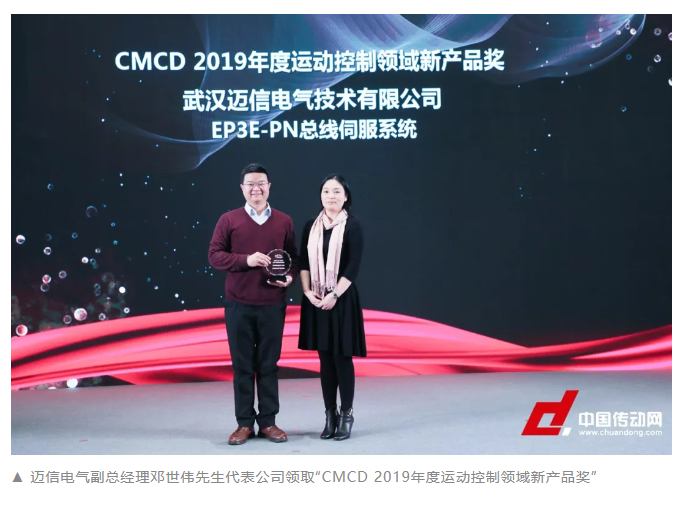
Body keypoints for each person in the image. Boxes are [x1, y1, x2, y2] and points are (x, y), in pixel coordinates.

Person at [208, 163, 298, 445]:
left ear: (269, 187)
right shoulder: (228, 220)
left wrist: (290, 277)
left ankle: (268, 422)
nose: (256, 188)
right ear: (242, 188)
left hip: (273, 304)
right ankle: (244, 423)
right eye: (250, 184)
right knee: (243, 366)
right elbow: (214, 256)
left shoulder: (284, 221)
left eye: (261, 183)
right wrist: (246, 260)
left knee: (269, 365)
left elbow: (293, 258)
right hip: (239, 305)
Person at [298, 174, 366, 441]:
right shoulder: (310, 226)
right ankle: (330, 415)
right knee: (324, 359)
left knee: (342, 358)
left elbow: (353, 266)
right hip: (316, 298)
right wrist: (307, 292)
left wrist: (335, 293)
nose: (331, 196)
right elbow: (303, 262)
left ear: (345, 196)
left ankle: (347, 414)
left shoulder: (352, 225)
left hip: (341, 298)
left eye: (337, 191)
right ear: (321, 196)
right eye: (326, 191)